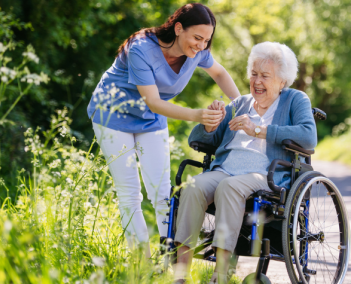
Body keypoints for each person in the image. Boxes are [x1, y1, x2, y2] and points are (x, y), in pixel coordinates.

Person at [86, 3, 241, 257]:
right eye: (197, 38)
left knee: (161, 191)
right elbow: (154, 102)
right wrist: (197, 115)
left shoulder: (199, 52)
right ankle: (141, 262)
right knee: (130, 192)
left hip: (150, 120)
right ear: (178, 28)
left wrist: (243, 107)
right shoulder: (141, 48)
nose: (201, 45)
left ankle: (170, 258)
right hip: (112, 115)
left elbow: (220, 74)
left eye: (207, 40)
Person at [173, 41, 317, 283]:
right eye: (254, 74)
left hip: (265, 174)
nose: (257, 81)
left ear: (282, 81)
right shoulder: (239, 104)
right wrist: (209, 125)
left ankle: (220, 276)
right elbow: (197, 139)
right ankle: (179, 276)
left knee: (229, 187)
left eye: (265, 76)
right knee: (192, 187)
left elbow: (308, 136)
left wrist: (260, 130)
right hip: (224, 169)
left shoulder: (295, 99)